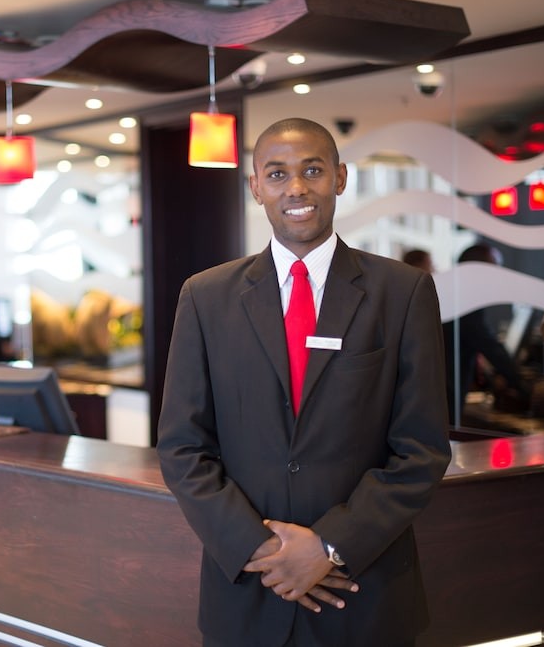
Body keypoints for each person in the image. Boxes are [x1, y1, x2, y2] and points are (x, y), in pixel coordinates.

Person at [156, 118, 451, 646]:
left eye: (312, 170)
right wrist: (264, 550)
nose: (296, 187)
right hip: (247, 594)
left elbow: (421, 449)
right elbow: (182, 446)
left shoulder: (402, 292)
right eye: (277, 174)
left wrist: (329, 547)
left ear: (339, 178)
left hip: (364, 595)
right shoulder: (205, 297)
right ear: (256, 188)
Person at [443, 243, 531, 420]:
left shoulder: (454, 293)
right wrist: (523, 387)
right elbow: (488, 344)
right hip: (443, 398)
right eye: (494, 271)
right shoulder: (462, 299)